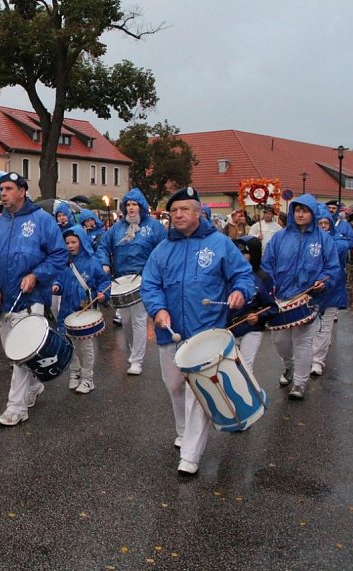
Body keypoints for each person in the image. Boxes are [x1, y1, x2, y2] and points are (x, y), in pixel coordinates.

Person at [141, 187, 254, 475]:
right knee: (175, 386)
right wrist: (158, 309)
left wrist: (240, 291)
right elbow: (150, 283)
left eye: (184, 209)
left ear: (199, 211)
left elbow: (242, 274)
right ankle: (183, 432)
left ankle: (190, 456)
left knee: (196, 393)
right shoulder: (162, 249)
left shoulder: (220, 244)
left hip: (206, 333)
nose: (178, 215)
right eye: (174, 211)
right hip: (170, 332)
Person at [0, 172, 67, 426]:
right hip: (3, 302)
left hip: (31, 298)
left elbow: (58, 255)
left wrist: (37, 275)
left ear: (23, 191)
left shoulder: (42, 221)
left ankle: (16, 407)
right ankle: (35, 385)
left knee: (20, 354)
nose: (3, 193)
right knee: (13, 352)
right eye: (1, 189)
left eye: (8, 188)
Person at [261, 194, 340, 400]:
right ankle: (289, 366)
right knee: (280, 340)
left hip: (308, 299)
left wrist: (324, 281)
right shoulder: (280, 237)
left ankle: (300, 383)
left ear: (312, 213)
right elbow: (267, 264)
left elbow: (332, 267)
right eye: (297, 210)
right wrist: (269, 289)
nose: (300, 214)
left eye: (304, 211)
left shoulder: (324, 240)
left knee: (303, 341)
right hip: (281, 298)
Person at [96, 188, 167, 375]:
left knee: (139, 319)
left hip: (144, 279)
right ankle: (134, 351)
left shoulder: (154, 227)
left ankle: (137, 360)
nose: (131, 208)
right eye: (128, 204)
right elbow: (103, 245)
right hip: (121, 281)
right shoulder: (117, 228)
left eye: (134, 204)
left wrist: (155, 274)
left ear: (141, 206)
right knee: (125, 320)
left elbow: (164, 250)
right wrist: (104, 263)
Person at [52, 225, 110, 394]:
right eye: (67, 242)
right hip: (67, 308)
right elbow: (60, 281)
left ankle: (88, 378)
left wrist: (102, 293)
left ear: (81, 242)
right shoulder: (64, 263)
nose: (70, 245)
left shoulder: (92, 263)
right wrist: (56, 286)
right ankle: (75, 371)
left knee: (86, 345)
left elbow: (104, 281)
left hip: (85, 308)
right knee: (68, 342)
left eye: (73, 242)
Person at [311, 204, 351, 376]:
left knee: (324, 327)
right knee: (309, 328)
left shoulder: (338, 242)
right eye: (319, 224)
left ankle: (317, 361)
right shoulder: (308, 241)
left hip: (332, 289)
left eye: (325, 224)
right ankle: (305, 359)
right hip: (311, 291)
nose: (322, 227)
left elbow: (345, 244)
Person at [226, 236, 276, 371]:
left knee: (246, 368)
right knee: (230, 368)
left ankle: (248, 391)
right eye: (236, 253)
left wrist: (258, 316)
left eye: (244, 253)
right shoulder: (223, 276)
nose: (240, 256)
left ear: (253, 254)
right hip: (227, 330)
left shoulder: (262, 278)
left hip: (251, 328)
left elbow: (272, 307)